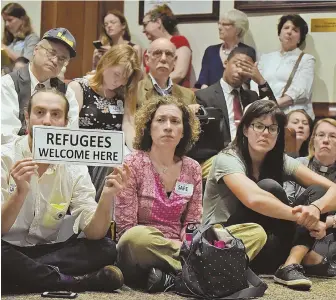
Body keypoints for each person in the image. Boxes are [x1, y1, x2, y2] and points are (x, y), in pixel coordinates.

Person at [115, 95, 267, 293]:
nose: (168, 126)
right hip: (148, 246)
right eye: (161, 120)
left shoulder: (192, 168)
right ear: (148, 126)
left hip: (187, 246)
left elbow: (192, 223)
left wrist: (189, 243)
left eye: (175, 121)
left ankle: (177, 276)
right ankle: (208, 267)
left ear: (183, 131)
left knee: (256, 232)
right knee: (134, 238)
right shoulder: (132, 163)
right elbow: (125, 229)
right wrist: (184, 248)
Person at [1, 88, 130, 293]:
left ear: (65, 122)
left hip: (47, 251)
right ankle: (76, 282)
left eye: (55, 114)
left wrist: (106, 196)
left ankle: (20, 279)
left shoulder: (73, 165)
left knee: (106, 248)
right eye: (40, 112)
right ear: (27, 118)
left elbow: (93, 233)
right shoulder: (5, 157)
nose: (47, 121)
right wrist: (19, 194)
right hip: (6, 246)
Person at [202, 99, 336, 290]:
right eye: (259, 126)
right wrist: (306, 218)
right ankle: (306, 259)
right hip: (228, 242)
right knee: (269, 187)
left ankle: (291, 264)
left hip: (268, 242)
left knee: (319, 192)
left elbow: (333, 189)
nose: (265, 133)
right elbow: (253, 199)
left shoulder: (280, 160)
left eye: (272, 128)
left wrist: (316, 209)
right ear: (246, 130)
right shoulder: (227, 158)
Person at [69, 44, 141, 199]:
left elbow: (128, 125)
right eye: (117, 74)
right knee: (114, 165)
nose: (119, 82)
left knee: (133, 163)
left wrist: (137, 154)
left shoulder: (124, 92)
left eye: (125, 78)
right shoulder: (79, 87)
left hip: (114, 152)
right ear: (106, 62)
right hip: (84, 150)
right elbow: (71, 128)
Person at [195, 47, 276, 178]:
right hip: (218, 158)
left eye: (246, 68)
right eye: (237, 64)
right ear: (225, 63)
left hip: (248, 157)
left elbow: (274, 114)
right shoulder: (204, 96)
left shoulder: (252, 97)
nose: (240, 71)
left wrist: (261, 81)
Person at [1, 27, 79, 145]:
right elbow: (6, 136)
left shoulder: (67, 92)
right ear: (36, 49)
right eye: (51, 53)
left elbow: (72, 136)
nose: (55, 60)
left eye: (62, 58)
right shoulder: (8, 84)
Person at [251, 14, 315, 119]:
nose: (289, 32)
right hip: (265, 114)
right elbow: (255, 83)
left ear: (300, 38)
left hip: (293, 116)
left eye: (295, 30)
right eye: (286, 28)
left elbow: (301, 90)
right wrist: (262, 107)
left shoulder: (307, 59)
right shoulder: (265, 58)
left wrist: (271, 106)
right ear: (279, 34)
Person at [195, 9, 255, 89]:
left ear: (238, 29)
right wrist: (208, 97)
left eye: (225, 24)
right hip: (210, 97)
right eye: (219, 24)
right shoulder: (210, 51)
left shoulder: (247, 52)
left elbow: (246, 83)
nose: (219, 27)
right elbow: (203, 80)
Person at [138, 38, 198, 111]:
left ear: (175, 61)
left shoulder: (188, 96)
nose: (163, 59)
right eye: (157, 53)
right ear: (147, 59)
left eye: (169, 54)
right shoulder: (134, 91)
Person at [142, 4, 192, 87]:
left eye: (145, 24)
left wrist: (153, 85)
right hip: (151, 95)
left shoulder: (179, 41)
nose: (143, 30)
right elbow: (145, 77)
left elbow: (180, 73)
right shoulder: (148, 51)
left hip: (176, 94)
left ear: (158, 22)